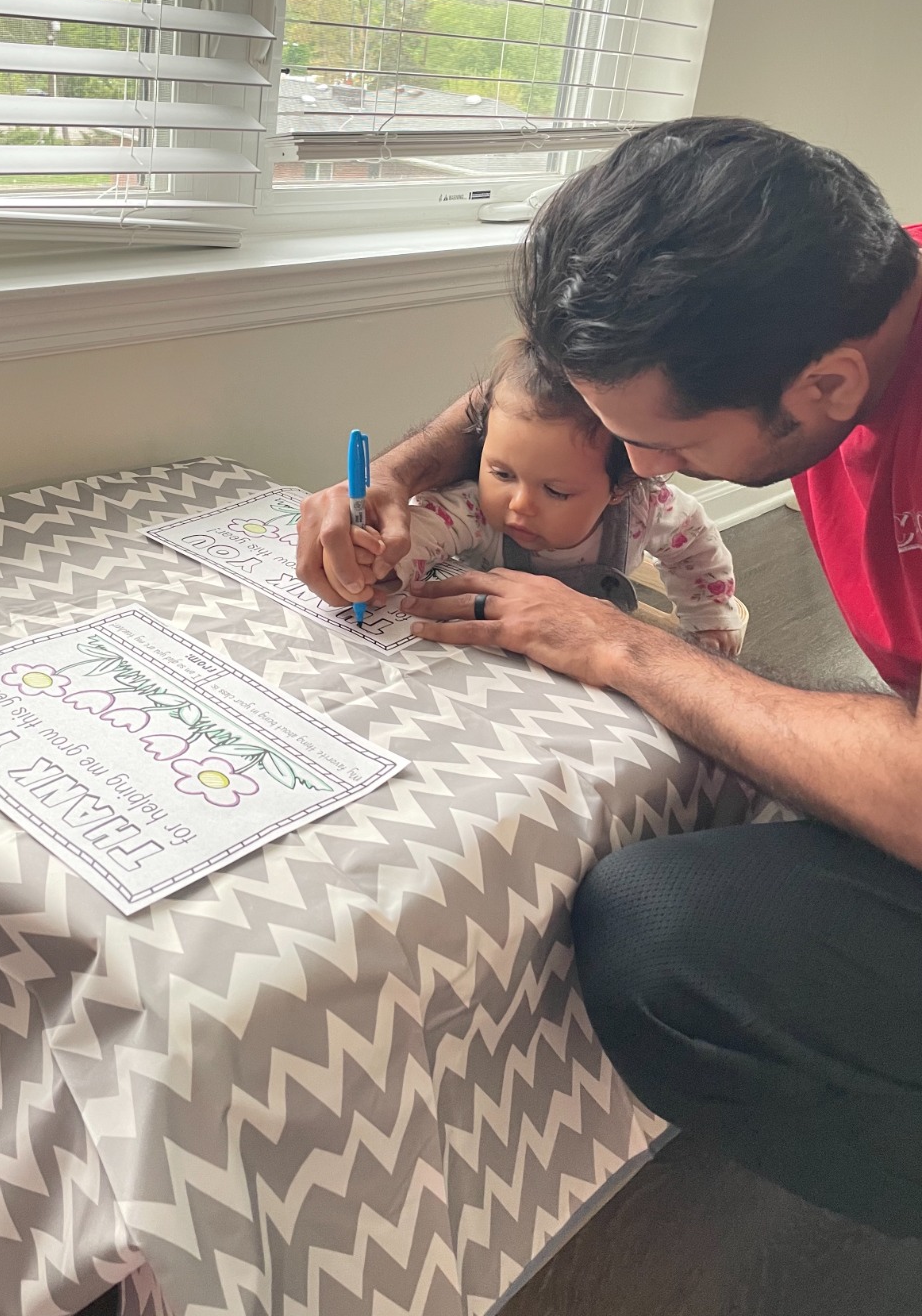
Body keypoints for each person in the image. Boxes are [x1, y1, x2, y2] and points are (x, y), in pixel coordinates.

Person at [296, 117, 922, 1239]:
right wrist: (397, 470)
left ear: (828, 385)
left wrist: (626, 646)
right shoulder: (848, 284)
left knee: (658, 936)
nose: (635, 470)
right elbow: (517, 400)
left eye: (669, 448)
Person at [322, 334, 748, 655]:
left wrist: (709, 616)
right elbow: (421, 533)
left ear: (620, 488)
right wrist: (377, 561)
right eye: (501, 473)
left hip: (598, 655)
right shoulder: (472, 509)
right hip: (496, 658)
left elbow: (696, 547)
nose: (519, 504)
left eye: (556, 491)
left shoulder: (649, 509)